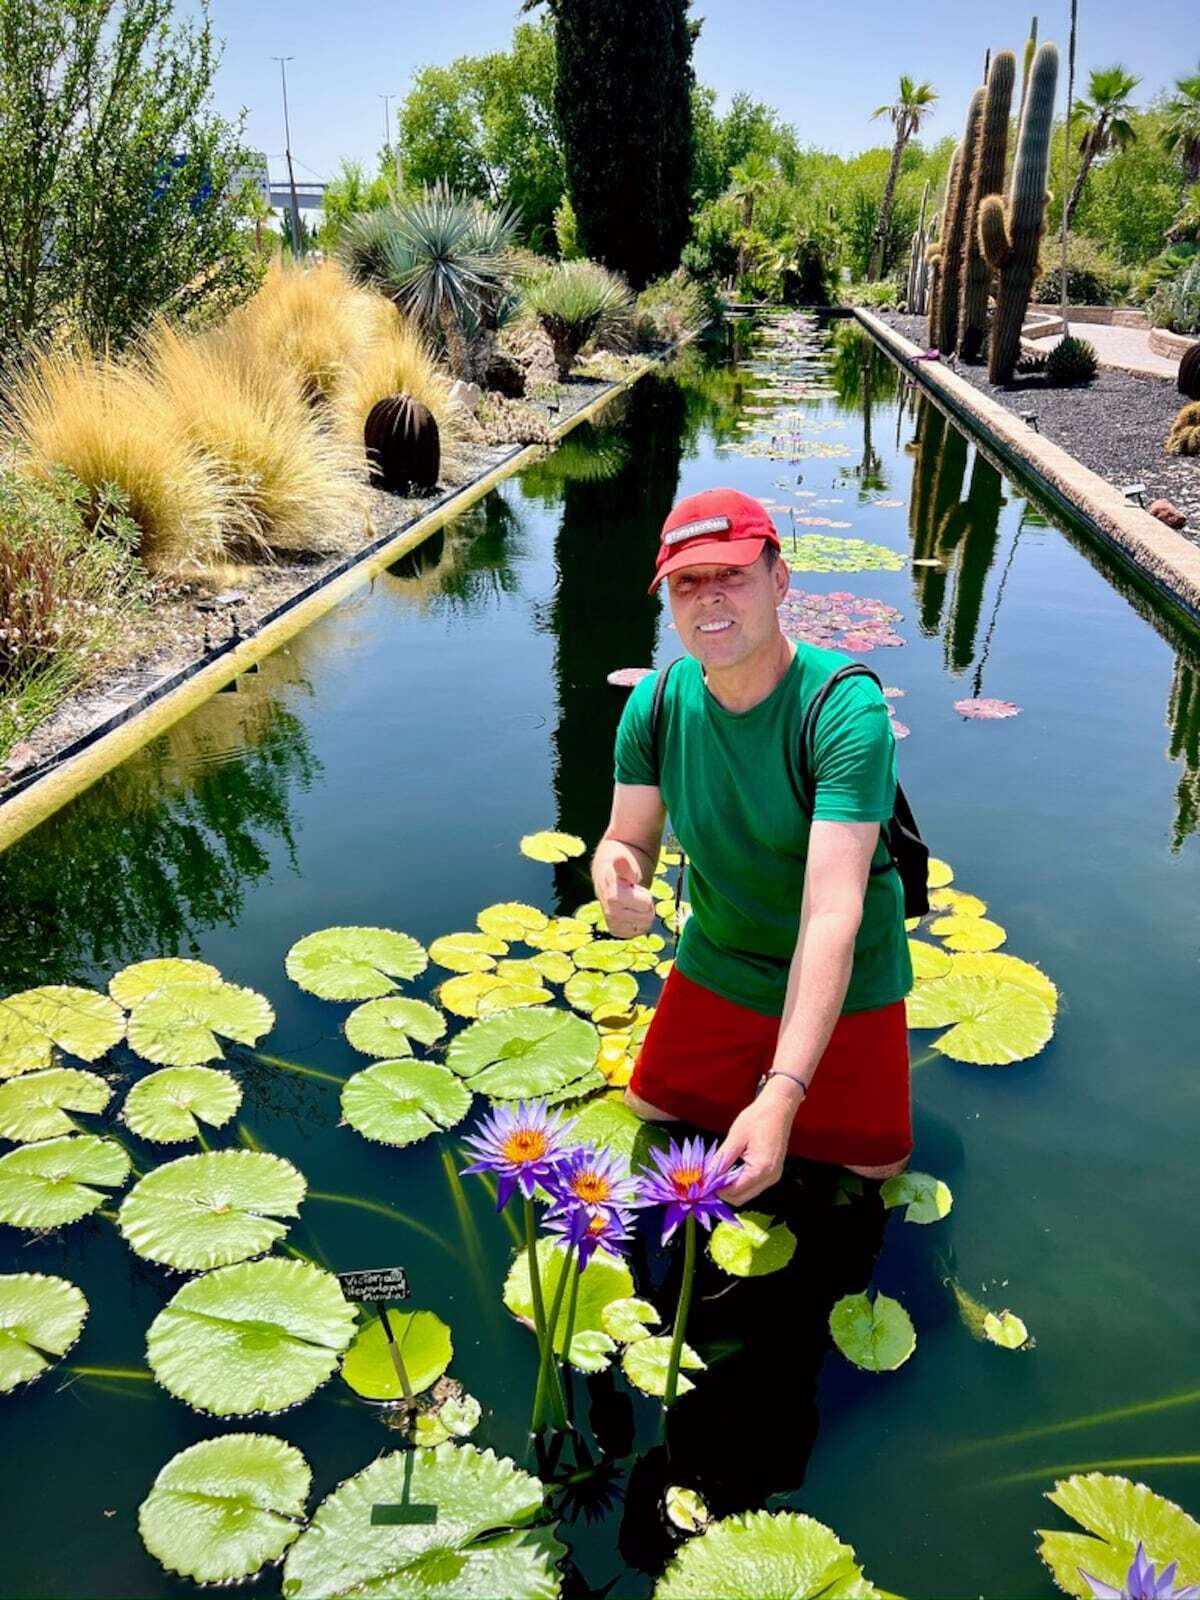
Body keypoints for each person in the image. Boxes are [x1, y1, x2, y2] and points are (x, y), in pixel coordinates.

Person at [593, 486, 914, 1206]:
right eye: (688, 583)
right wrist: (616, 873)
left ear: (778, 580)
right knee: (650, 1111)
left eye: (731, 575)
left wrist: (783, 1090)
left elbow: (832, 915)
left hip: (845, 978)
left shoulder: (843, 709)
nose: (710, 600)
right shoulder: (656, 702)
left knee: (872, 1174)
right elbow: (628, 838)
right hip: (722, 957)